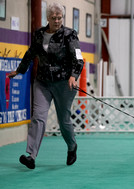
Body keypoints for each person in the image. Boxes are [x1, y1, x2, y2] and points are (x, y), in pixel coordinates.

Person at [8, 2, 84, 169]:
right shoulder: (39, 34)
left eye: (60, 18)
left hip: (65, 83)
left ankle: (72, 147)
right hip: (42, 82)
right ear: (47, 18)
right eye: (53, 18)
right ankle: (31, 156)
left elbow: (78, 58)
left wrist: (74, 75)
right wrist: (19, 71)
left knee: (63, 120)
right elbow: (30, 54)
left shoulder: (69, 34)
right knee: (38, 117)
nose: (57, 21)